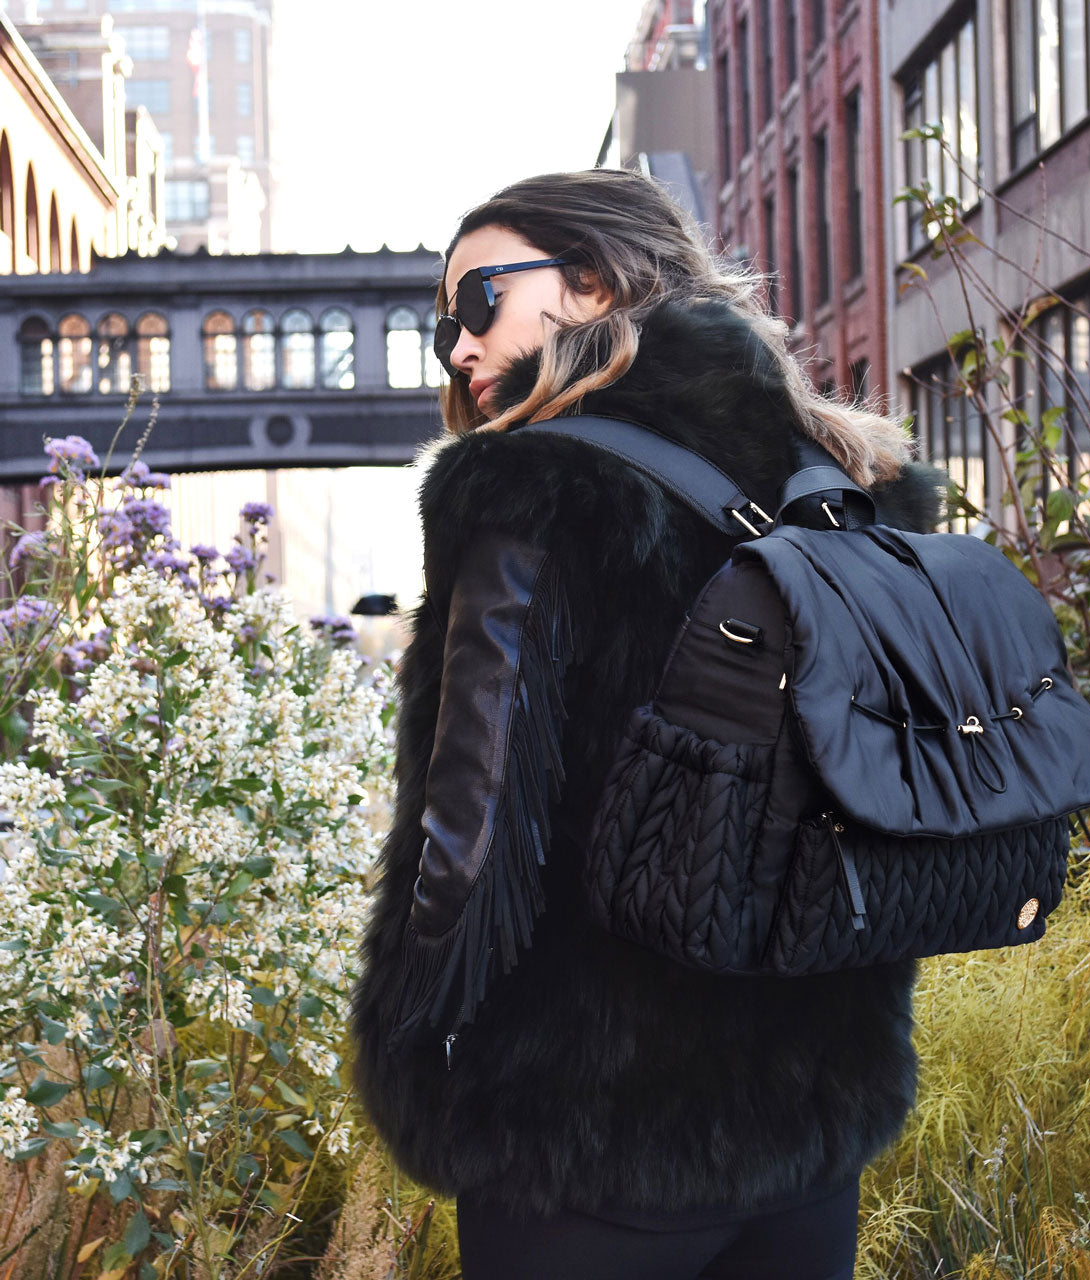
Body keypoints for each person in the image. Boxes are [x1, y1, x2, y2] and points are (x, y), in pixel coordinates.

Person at [351, 169, 943, 1280]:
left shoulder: (526, 487)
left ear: (593, 281)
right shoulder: (844, 477)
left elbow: (471, 820)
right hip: (810, 1112)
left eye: (478, 299)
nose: (459, 347)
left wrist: (409, 1045)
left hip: (581, 1130)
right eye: (444, 327)